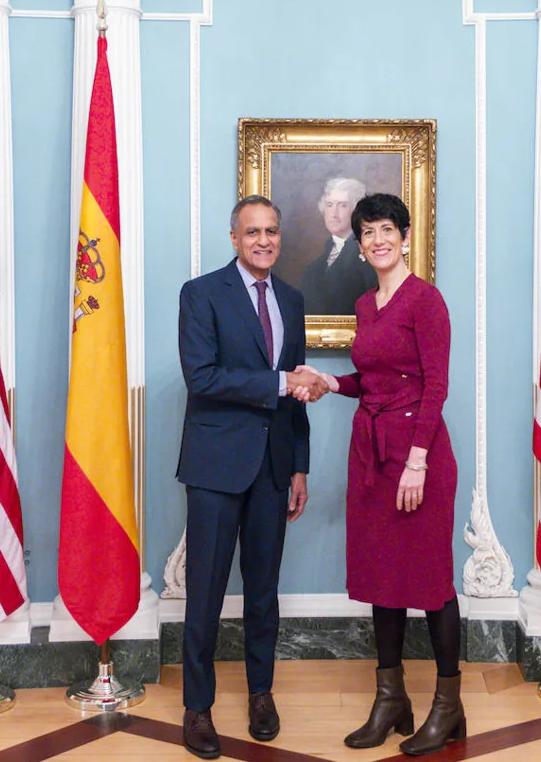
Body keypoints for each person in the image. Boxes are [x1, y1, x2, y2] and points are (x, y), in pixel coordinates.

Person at [299, 193, 463, 756]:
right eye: (367, 232)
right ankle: (390, 698)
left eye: (386, 229)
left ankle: (448, 706)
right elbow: (370, 380)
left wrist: (417, 461)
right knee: (382, 580)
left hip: (418, 456)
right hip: (371, 456)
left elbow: (435, 386)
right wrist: (325, 382)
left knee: (431, 582)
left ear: (406, 235)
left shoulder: (427, 301)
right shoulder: (366, 303)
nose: (377, 240)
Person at [176, 195, 329, 760]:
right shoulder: (200, 294)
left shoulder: (291, 298)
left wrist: (300, 465)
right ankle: (198, 707)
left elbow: (298, 396)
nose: (263, 240)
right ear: (234, 237)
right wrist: (279, 383)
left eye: (272, 231)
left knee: (263, 593)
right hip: (216, 469)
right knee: (207, 594)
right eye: (252, 232)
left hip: (273, 469)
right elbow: (203, 378)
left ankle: (261, 695)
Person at [300, 177, 378, 315]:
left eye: (342, 205)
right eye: (329, 205)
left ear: (356, 211)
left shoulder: (372, 258)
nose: (334, 214)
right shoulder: (313, 268)